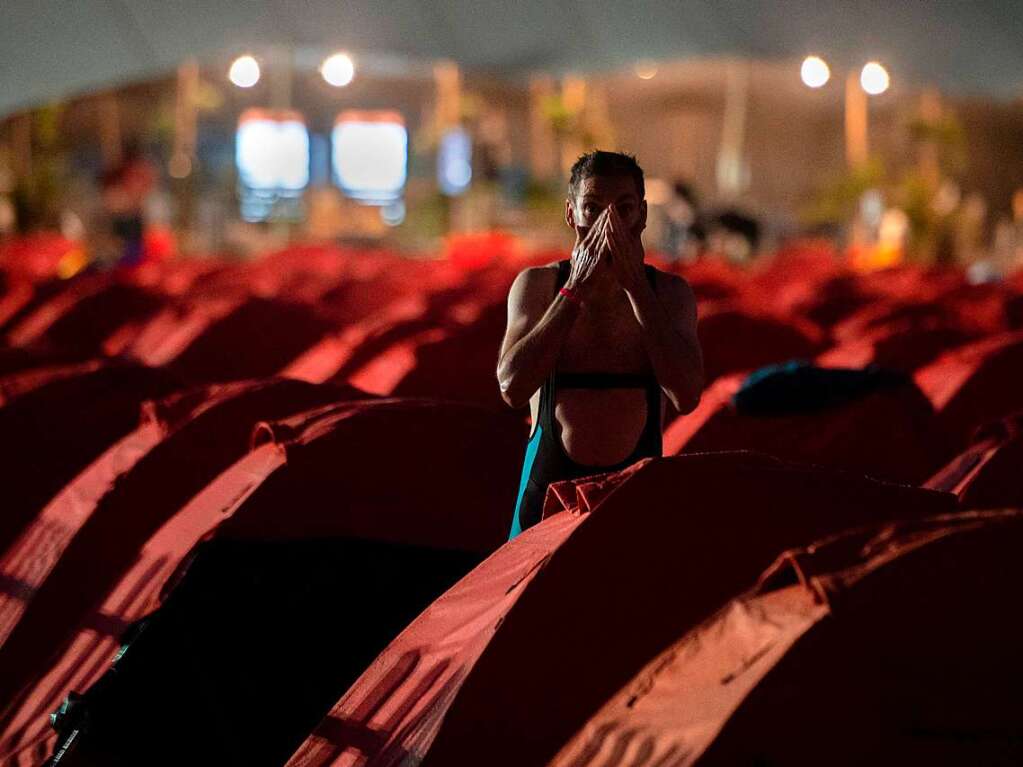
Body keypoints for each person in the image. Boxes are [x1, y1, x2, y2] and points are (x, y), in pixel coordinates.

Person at [498, 151, 704, 539]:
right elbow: (512, 387)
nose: (607, 225)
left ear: (641, 217)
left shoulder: (669, 294)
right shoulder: (538, 286)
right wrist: (573, 291)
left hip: (632, 504)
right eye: (592, 208)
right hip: (544, 502)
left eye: (622, 209)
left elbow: (687, 395)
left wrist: (637, 290)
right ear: (571, 215)